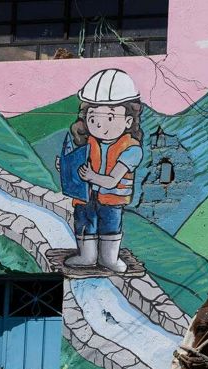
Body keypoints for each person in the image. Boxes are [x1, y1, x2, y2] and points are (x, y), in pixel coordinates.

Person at [56, 69, 142, 273]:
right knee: (85, 223)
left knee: (110, 227)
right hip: (86, 197)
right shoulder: (89, 142)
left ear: (128, 121)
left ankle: (109, 259)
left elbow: (113, 180)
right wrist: (67, 167)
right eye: (93, 118)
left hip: (112, 200)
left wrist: (93, 177)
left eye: (110, 118)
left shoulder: (131, 148)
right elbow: (81, 164)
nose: (99, 125)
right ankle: (86, 257)